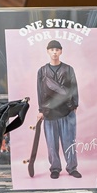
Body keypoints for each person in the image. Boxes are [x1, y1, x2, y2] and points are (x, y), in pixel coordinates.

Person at [35, 39, 81, 179]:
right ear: (48, 51)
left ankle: (72, 168)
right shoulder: (42, 71)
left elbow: (74, 87)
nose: (54, 52)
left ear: (61, 51)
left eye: (57, 49)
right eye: (52, 49)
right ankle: (55, 168)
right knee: (51, 143)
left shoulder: (68, 69)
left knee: (69, 141)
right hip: (49, 112)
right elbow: (40, 91)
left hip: (67, 111)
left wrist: (75, 105)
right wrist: (41, 110)